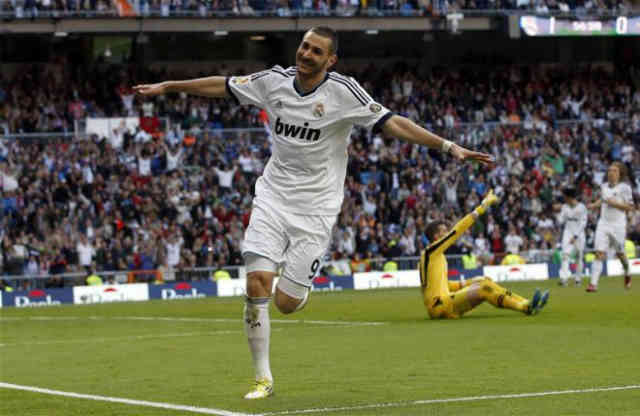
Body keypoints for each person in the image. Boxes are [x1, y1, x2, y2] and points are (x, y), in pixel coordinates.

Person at [134, 26, 493, 400]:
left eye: (316, 51)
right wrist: (169, 86)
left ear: (330, 60)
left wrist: (449, 146)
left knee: (286, 304)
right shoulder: (273, 81)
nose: (306, 54)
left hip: (317, 209)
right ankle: (263, 379)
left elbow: (394, 123)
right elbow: (221, 85)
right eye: (304, 46)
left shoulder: (344, 92)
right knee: (257, 283)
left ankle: (303, 280)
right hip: (272, 197)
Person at [420, 190, 549, 319]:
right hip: (439, 305)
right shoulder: (430, 252)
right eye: (443, 232)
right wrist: (481, 208)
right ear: (436, 236)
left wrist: (470, 281)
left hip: (444, 303)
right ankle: (524, 308)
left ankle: (527, 302)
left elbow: (444, 285)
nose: (447, 234)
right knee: (483, 287)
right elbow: (457, 231)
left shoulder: (437, 256)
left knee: (483, 282)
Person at [587, 162, 636, 292]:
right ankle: (593, 284)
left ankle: (627, 272)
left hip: (618, 226)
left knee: (620, 254)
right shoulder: (603, 186)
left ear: (619, 174)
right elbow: (603, 200)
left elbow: (630, 207)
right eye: (609, 170)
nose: (611, 172)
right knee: (599, 252)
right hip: (603, 223)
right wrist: (593, 205)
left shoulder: (625, 188)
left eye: (614, 170)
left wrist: (614, 203)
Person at [555, 186, 588, 286]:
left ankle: (578, 279)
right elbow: (560, 221)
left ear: (570, 197)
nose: (564, 199)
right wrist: (558, 213)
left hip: (579, 234)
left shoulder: (582, 207)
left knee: (579, 256)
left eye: (565, 197)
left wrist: (576, 236)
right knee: (565, 255)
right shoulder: (565, 207)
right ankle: (564, 278)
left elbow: (583, 223)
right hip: (568, 232)